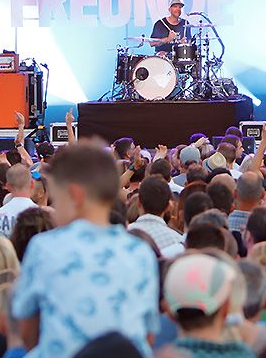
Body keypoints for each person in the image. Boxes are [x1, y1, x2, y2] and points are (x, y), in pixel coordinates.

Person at [11, 143, 159, 357]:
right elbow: (148, 333)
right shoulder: (140, 251)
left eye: (56, 197)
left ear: (75, 196)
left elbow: (27, 328)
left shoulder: (44, 247)